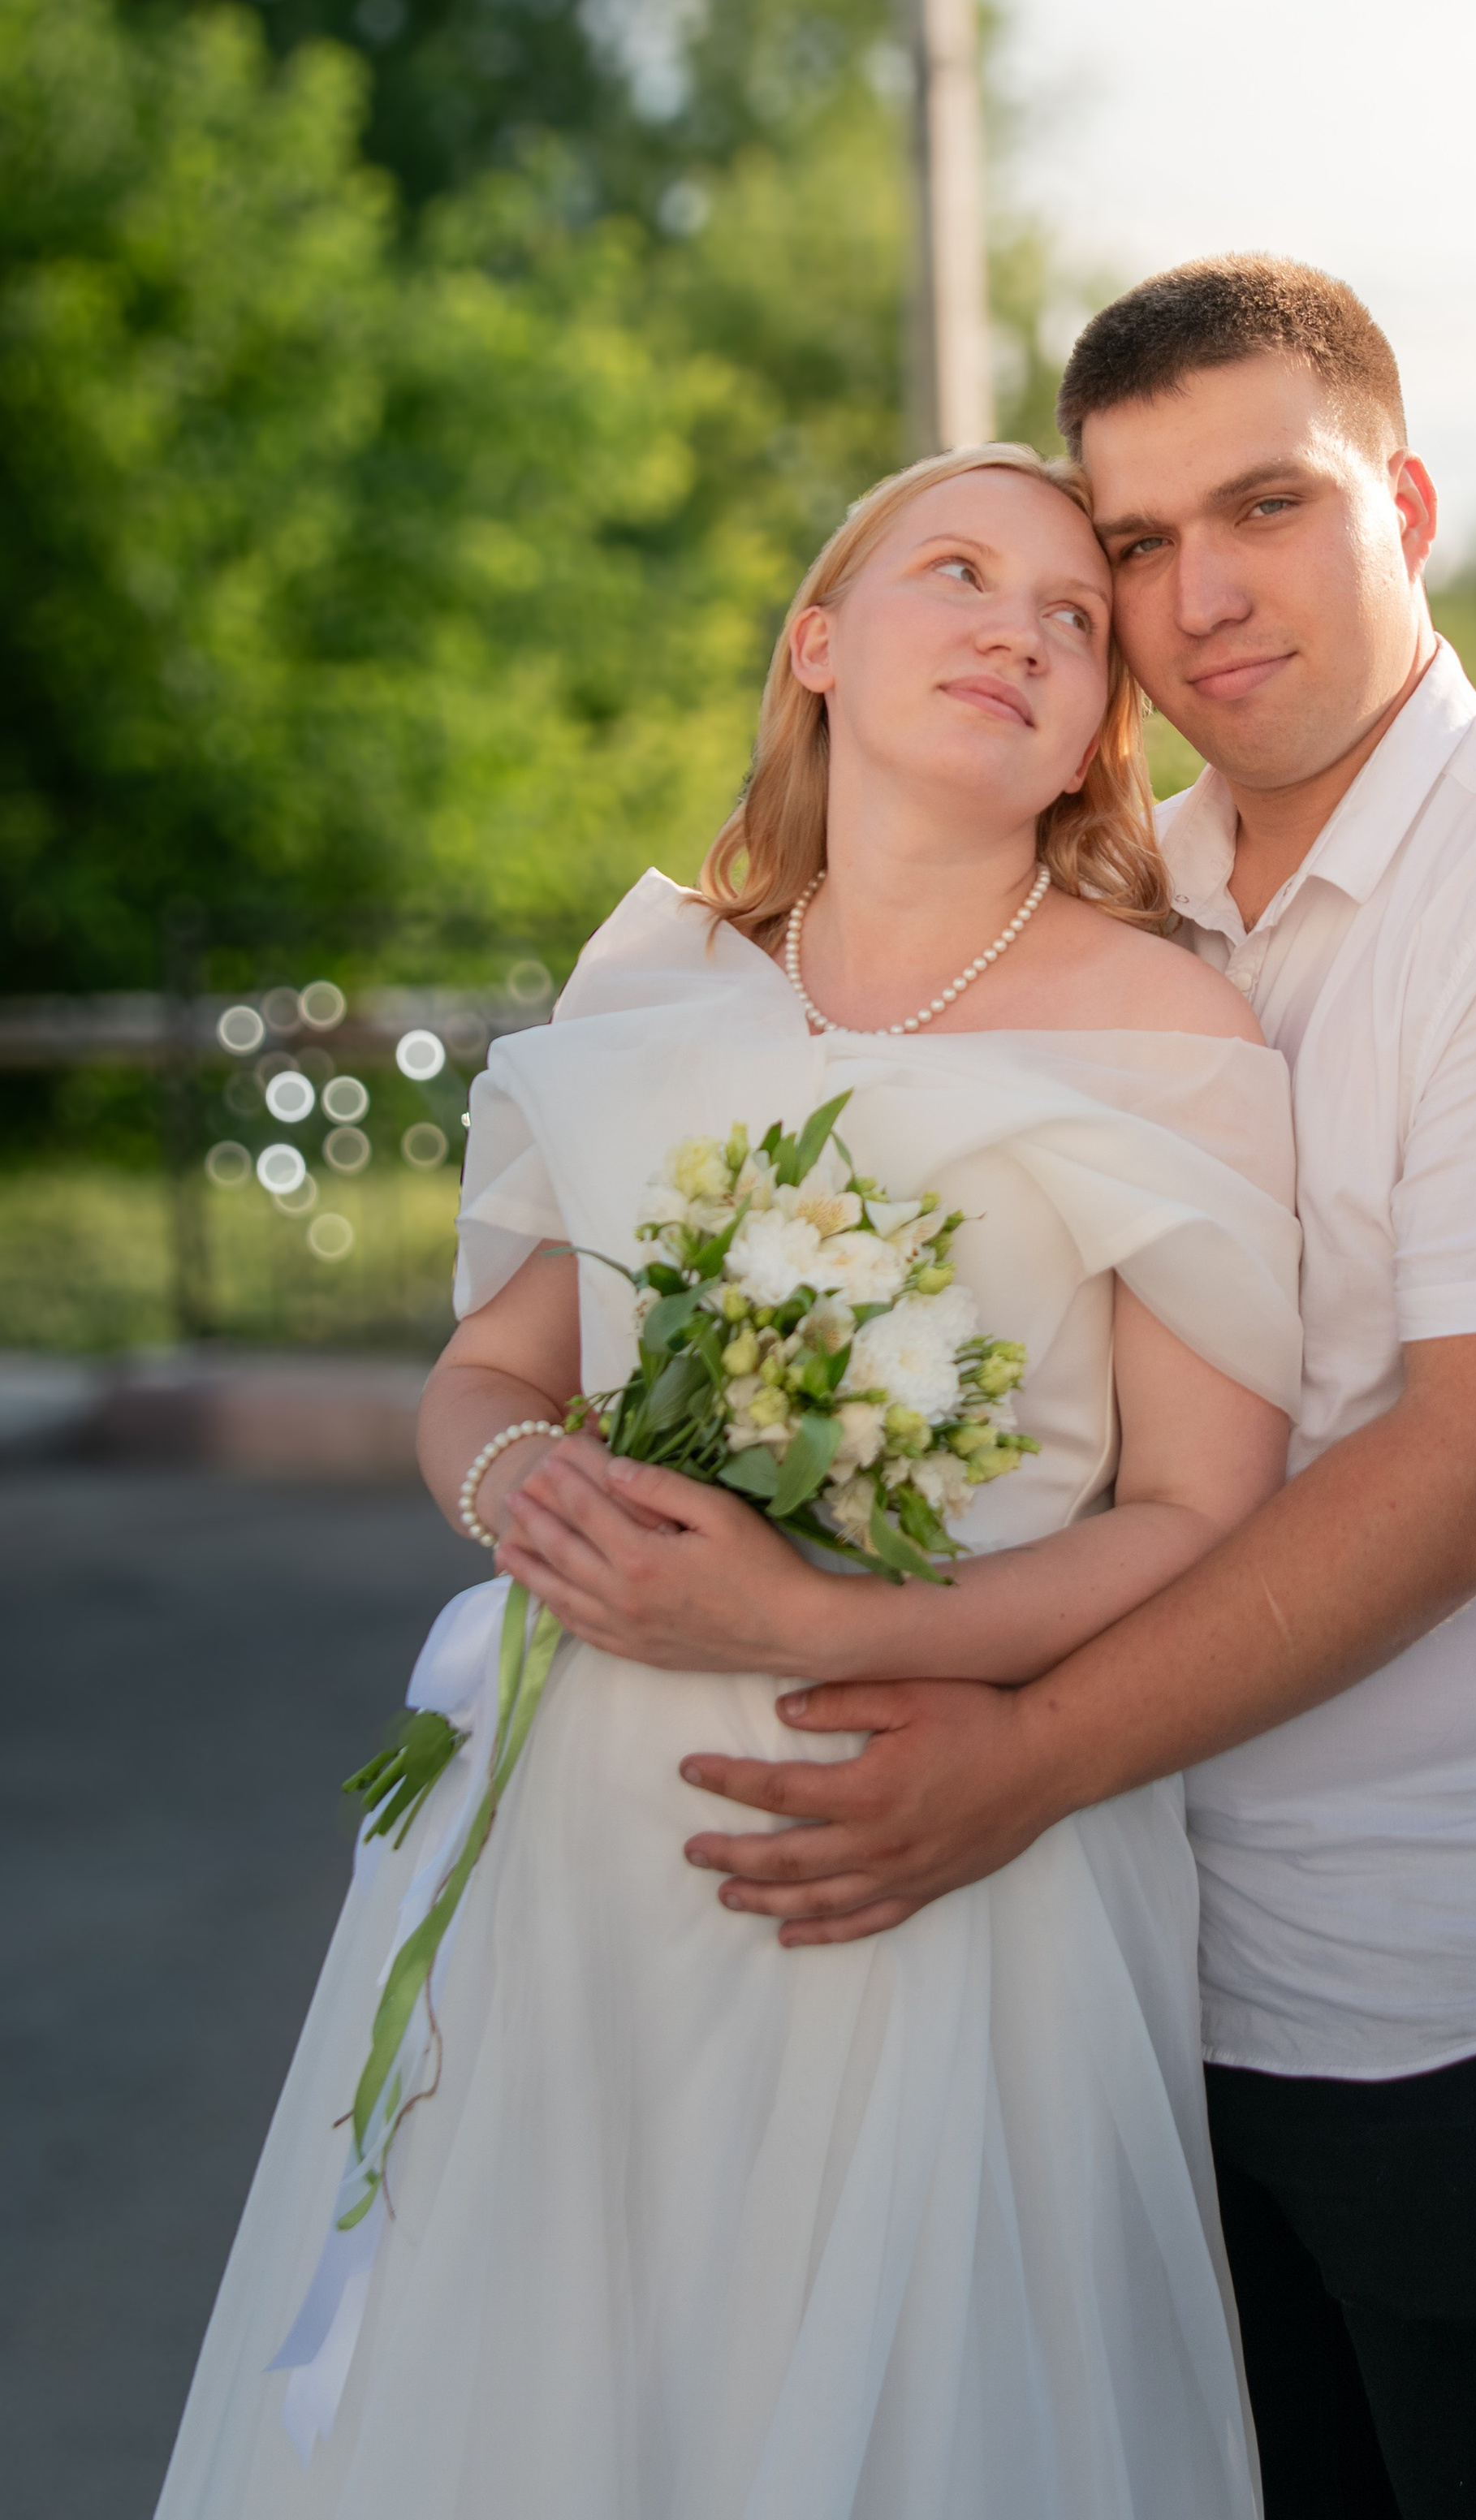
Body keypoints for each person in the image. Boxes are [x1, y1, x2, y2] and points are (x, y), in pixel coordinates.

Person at [550, 259, 1476, 2520]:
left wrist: (1016, 1756)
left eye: (1267, 506)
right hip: (1166, 1964)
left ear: (1405, 500)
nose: (1196, 593)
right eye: (1134, 543)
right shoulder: (1153, 888)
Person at [152, 442, 1306, 2520]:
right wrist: (517, 1490)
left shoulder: (1171, 1025)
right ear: (815, 645)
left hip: (930, 1833)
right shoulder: (653, 972)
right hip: (573, 1842)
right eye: (956, 572)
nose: (1018, 630)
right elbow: (488, 1371)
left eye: (1069, 621)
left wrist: (819, 1622)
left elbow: (1195, 1517)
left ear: (1089, 740)